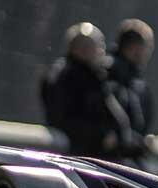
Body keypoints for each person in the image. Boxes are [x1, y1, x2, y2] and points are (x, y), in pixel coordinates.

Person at [41, 22, 132, 157]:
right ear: (80, 49)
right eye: (97, 46)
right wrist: (101, 136)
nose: (102, 51)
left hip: (98, 154)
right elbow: (63, 118)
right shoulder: (67, 76)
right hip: (81, 156)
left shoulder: (94, 75)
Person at [107, 19, 155, 162]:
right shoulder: (111, 74)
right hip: (111, 157)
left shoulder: (133, 79)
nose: (148, 53)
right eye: (147, 47)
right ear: (134, 47)